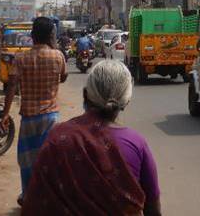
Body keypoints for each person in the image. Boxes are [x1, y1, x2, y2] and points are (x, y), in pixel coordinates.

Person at [22, 60, 161, 216]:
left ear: (85, 95)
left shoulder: (58, 137)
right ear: (126, 101)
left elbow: (36, 201)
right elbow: (153, 210)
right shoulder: (136, 142)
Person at [2, 17, 67, 205]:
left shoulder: (21, 58)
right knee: (51, 161)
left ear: (32, 36)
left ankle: (29, 196)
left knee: (27, 161)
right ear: (51, 36)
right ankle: (50, 195)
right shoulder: (58, 56)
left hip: (29, 117)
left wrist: (6, 113)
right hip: (51, 117)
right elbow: (63, 77)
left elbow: (12, 86)